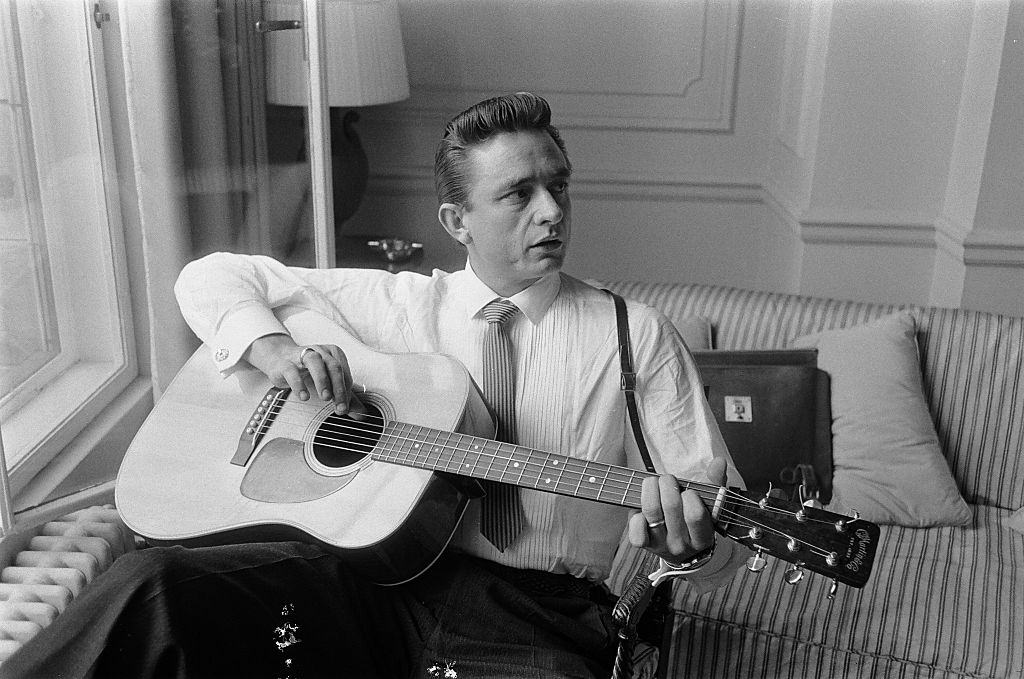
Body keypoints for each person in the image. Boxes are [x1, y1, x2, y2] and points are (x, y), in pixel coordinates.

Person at [1, 92, 745, 679]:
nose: (552, 210)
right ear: (456, 219)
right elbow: (210, 276)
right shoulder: (397, 306)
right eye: (519, 194)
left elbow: (721, 541)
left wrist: (694, 543)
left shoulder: (634, 333)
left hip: (538, 617)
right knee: (151, 585)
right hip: (372, 584)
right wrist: (274, 349)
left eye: (558, 186)